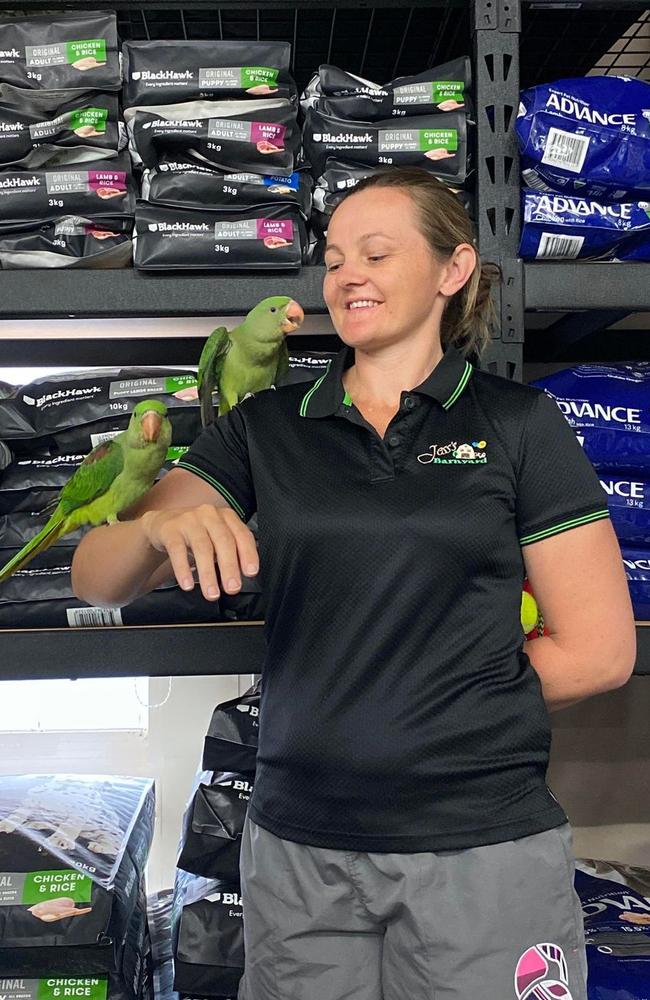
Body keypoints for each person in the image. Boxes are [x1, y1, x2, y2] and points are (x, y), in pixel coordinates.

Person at [72, 168, 636, 1000]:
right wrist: (153, 525)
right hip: (300, 851)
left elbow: (600, 652)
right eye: (335, 259)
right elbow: (95, 580)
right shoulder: (268, 427)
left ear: (453, 270)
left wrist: (429, 708)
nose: (347, 277)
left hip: (481, 847)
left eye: (376, 252)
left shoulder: (516, 425)